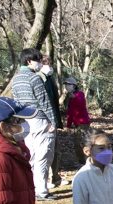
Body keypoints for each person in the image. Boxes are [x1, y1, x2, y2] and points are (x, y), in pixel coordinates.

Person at [12, 48, 58, 201]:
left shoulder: (16, 79)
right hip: (40, 119)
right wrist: (54, 121)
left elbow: (16, 102)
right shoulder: (34, 78)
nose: (39, 63)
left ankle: (31, 187)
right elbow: (44, 102)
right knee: (44, 154)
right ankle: (42, 190)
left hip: (26, 121)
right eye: (37, 60)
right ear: (29, 62)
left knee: (30, 155)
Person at [37, 55, 69, 188]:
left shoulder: (50, 79)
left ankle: (55, 178)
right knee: (44, 152)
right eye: (47, 64)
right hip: (44, 121)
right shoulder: (38, 79)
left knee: (54, 150)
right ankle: (43, 181)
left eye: (51, 64)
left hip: (53, 120)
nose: (50, 67)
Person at [65, 77, 92, 165]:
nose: (67, 86)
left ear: (74, 86)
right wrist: (68, 125)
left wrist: (75, 98)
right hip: (76, 123)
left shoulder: (79, 94)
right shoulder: (69, 97)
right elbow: (70, 112)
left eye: (69, 85)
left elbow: (81, 105)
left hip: (83, 122)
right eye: (66, 85)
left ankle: (86, 161)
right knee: (77, 143)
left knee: (82, 141)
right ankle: (82, 161)